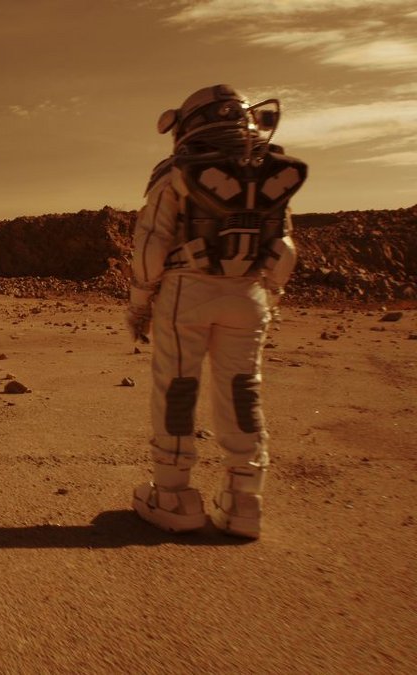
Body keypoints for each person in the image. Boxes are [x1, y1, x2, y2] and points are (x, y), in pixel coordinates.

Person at [126, 85, 306, 539]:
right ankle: (245, 499)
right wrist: (272, 298)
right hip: (248, 294)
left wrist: (140, 303)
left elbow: (150, 246)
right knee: (243, 390)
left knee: (178, 387)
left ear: (187, 125)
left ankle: (173, 495)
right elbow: (283, 249)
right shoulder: (269, 175)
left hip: (187, 291)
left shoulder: (177, 175)